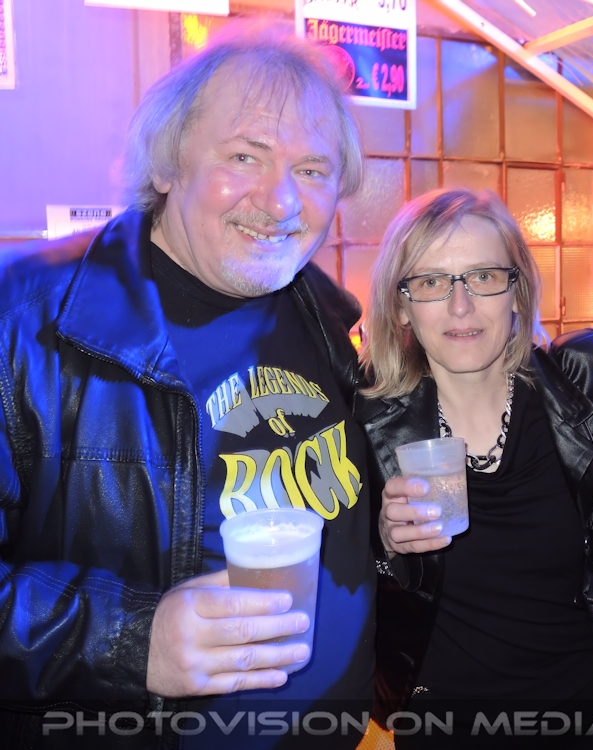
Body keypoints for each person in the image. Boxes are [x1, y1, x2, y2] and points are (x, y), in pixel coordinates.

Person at [0, 24, 374, 748]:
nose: (281, 201)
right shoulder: (25, 323)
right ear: (168, 163)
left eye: (312, 170)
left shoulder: (327, 317)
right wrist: (129, 640)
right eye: (245, 156)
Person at [356, 189, 593, 747]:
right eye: (431, 282)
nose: (460, 306)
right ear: (401, 305)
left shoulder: (591, 391)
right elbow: (331, 579)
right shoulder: (363, 424)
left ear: (517, 290)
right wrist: (381, 544)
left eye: (483, 277)